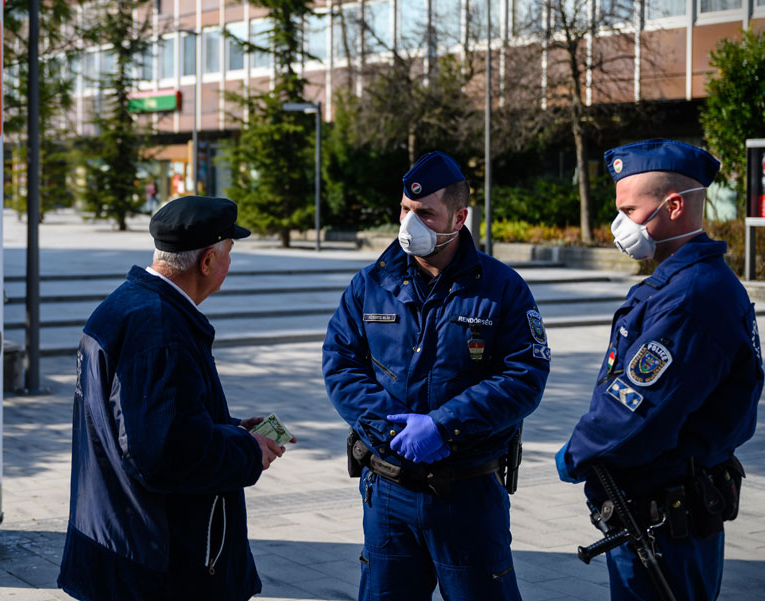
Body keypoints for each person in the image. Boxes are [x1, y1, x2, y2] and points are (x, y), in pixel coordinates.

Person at [323, 151, 551, 600]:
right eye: (406, 210)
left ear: (459, 216)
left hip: (466, 493)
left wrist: (443, 426)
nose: (411, 222)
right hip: (388, 492)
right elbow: (341, 363)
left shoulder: (502, 288)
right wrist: (392, 426)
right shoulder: (371, 284)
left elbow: (525, 374)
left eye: (425, 212)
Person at [57, 195, 294, 601]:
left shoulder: (123, 306)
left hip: (118, 546)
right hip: (157, 568)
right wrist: (246, 450)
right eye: (228, 253)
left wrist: (231, 427)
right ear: (206, 262)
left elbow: (140, 422)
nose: (229, 264)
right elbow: (165, 455)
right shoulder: (161, 329)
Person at [556, 139, 763, 600]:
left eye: (629, 210)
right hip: (663, 509)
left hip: (666, 517)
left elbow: (638, 408)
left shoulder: (692, 296)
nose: (619, 225)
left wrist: (574, 454)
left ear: (672, 206)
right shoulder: (685, 281)